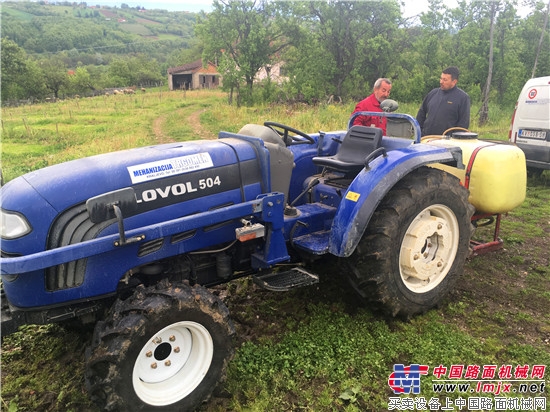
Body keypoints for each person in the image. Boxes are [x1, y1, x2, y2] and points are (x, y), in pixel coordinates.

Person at [416, 66, 471, 136]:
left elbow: (463, 124)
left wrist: (453, 139)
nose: (441, 82)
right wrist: (419, 131)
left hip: (446, 142)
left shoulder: (463, 98)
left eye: (445, 80)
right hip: (426, 139)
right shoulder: (433, 93)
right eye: (441, 78)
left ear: (454, 82)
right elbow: (421, 113)